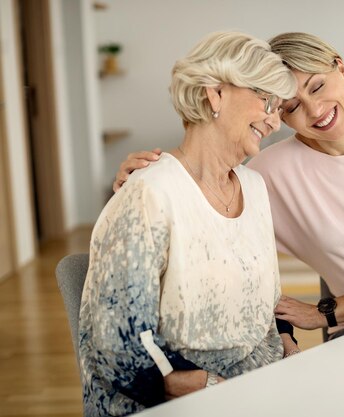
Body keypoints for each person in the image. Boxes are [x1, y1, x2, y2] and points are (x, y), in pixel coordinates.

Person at [113, 32, 344, 342]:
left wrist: (323, 314)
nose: (315, 110)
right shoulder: (269, 172)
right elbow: (197, 210)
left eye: (317, 86)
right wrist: (138, 181)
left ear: (341, 67)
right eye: (290, 107)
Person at [80, 31, 299, 416]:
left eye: (280, 109)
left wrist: (290, 347)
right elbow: (119, 347)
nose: (275, 122)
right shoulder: (150, 192)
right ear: (215, 94)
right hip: (184, 399)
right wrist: (220, 392)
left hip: (262, 387)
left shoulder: (255, 186)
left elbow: (265, 301)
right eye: (267, 101)